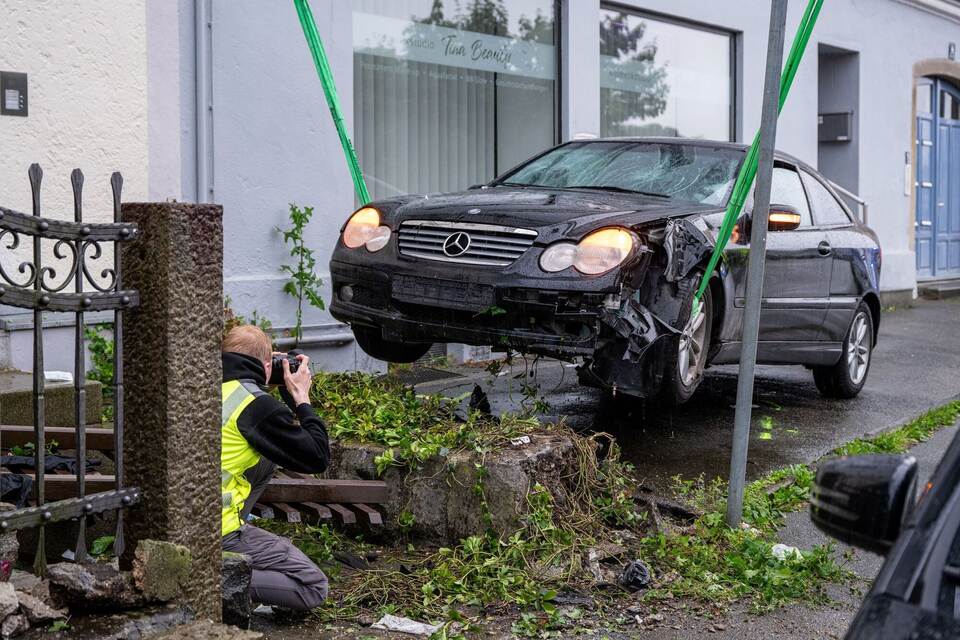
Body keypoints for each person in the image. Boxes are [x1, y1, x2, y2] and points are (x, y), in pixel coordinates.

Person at [220, 324, 330, 611]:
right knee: (313, 587)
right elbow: (316, 457)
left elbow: (278, 440)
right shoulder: (255, 405)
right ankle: (210, 577)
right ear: (267, 365)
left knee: (266, 455)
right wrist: (301, 399)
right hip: (218, 530)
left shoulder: (202, 386)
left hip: (180, 523)